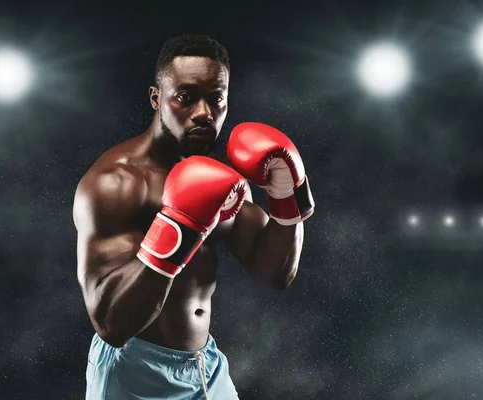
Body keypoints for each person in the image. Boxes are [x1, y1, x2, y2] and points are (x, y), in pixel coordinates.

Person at [73, 33, 315, 400]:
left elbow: (276, 273)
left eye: (216, 98)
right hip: (134, 369)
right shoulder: (116, 183)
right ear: (157, 98)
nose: (204, 113)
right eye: (185, 97)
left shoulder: (221, 179)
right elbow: (111, 324)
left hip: (205, 366)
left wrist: (286, 197)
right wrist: (180, 226)